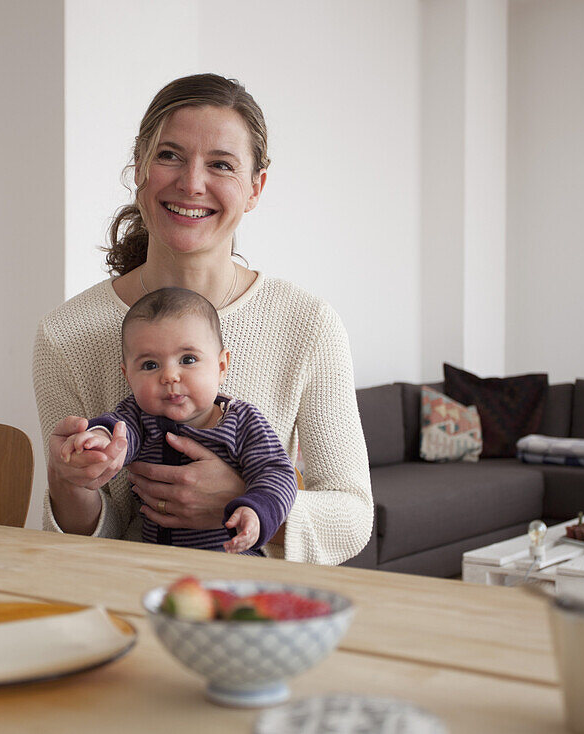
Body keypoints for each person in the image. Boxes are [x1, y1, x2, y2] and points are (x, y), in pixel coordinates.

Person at [33, 72, 372, 565]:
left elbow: (353, 514)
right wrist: (70, 484)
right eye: (169, 155)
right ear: (139, 168)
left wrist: (242, 505)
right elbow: (83, 540)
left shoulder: (309, 324)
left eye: (221, 164)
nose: (192, 183)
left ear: (255, 188)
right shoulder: (65, 335)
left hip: (256, 610)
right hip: (127, 597)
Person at [60, 287, 298, 555]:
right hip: (159, 564)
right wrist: (98, 440)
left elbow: (277, 473)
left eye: (188, 359)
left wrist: (256, 511)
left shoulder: (243, 422)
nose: (170, 376)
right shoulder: (140, 418)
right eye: (150, 365)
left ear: (221, 367)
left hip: (233, 563)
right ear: (129, 377)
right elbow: (117, 432)